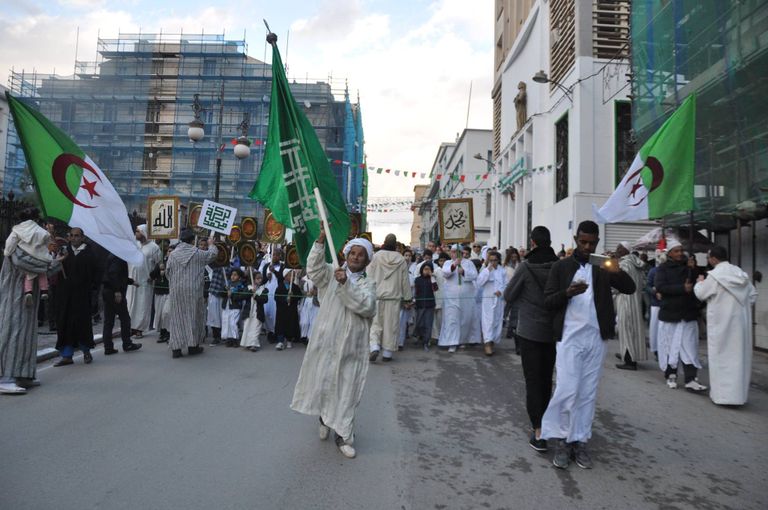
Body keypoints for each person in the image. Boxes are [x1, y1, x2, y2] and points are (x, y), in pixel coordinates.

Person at [541, 220, 635, 469]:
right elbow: (548, 301)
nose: (587, 246)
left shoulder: (602, 266)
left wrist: (616, 270)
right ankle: (561, 439)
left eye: (592, 242)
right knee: (567, 389)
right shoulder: (561, 267)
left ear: (597, 241)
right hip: (569, 338)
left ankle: (579, 441)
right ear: (575, 239)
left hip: (596, 338)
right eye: (583, 241)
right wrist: (567, 293)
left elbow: (630, 288)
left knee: (587, 393)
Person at [290, 230, 376, 459]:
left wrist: (346, 283)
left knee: (346, 390)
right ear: (346, 255)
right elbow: (314, 270)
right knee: (325, 382)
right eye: (353, 253)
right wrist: (319, 242)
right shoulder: (332, 272)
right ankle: (323, 418)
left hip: (352, 346)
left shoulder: (369, 284)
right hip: (327, 340)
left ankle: (344, 436)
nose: (356, 258)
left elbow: (366, 307)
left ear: (367, 261)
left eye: (361, 255)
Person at [504, 226, 559, 452]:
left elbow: (509, 295)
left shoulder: (526, 267)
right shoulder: (559, 266)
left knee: (533, 380)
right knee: (547, 379)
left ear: (533, 243)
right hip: (553, 332)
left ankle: (538, 430)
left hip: (529, 332)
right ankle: (547, 421)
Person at [0, 209, 63, 394]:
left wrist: (53, 261)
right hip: (15, 296)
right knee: (13, 332)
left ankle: (23, 374)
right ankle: (6, 377)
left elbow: (43, 267)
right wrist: (53, 263)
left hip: (29, 298)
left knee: (27, 334)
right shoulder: (16, 239)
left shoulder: (34, 242)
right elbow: (24, 262)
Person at [694, 246, 757, 405]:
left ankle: (723, 396)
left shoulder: (715, 276)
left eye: (709, 258)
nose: (708, 261)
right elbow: (752, 296)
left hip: (721, 323)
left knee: (721, 357)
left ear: (714, 259)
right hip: (740, 324)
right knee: (738, 358)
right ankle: (738, 396)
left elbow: (701, 294)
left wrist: (699, 283)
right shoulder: (741, 274)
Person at [654, 240, 707, 392]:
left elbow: (697, 284)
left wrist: (694, 268)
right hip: (670, 314)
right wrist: (681, 288)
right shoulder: (662, 269)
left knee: (690, 347)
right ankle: (671, 375)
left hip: (687, 314)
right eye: (676, 251)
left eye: (681, 250)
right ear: (669, 253)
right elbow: (661, 287)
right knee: (670, 346)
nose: (679, 253)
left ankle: (691, 379)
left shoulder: (689, 266)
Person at [166, 230, 218, 358]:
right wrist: (211, 243)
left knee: (177, 319)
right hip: (193, 291)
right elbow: (213, 255)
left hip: (176, 290)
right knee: (193, 317)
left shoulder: (172, 255)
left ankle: (176, 349)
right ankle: (192, 346)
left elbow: (168, 272)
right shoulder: (197, 254)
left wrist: (175, 283)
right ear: (191, 241)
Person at [53, 228, 99, 366]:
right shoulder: (64, 252)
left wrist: (91, 288)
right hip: (65, 295)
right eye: (71, 236)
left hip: (82, 295)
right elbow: (56, 269)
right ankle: (66, 355)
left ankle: (86, 351)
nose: (74, 238)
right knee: (65, 323)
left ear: (82, 237)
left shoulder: (89, 253)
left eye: (77, 236)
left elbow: (95, 274)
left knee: (82, 323)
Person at [367, 234, 411, 362]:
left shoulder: (376, 257)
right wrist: (407, 297)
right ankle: (387, 353)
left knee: (375, 324)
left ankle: (374, 346)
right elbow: (405, 280)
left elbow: (369, 276)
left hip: (377, 297)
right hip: (393, 299)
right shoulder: (401, 259)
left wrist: (366, 292)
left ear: (384, 242)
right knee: (391, 326)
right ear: (395, 244)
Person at [3, 208, 52, 306]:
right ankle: (44, 290)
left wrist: (7, 253)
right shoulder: (42, 231)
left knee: (29, 274)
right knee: (42, 273)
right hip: (40, 258)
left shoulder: (18, 229)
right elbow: (48, 244)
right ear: (36, 218)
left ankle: (28, 292)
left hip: (24, 258)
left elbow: (10, 243)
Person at [614, 241, 648, 370]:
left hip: (626, 300)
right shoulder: (635, 263)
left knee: (626, 329)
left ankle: (629, 361)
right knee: (634, 330)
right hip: (635, 300)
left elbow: (618, 284)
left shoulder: (624, 264)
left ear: (625, 250)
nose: (616, 250)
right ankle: (627, 354)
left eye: (619, 248)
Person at [438, 244, 478, 352]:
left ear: (460, 252)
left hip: (465, 297)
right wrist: (454, 265)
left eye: (455, 251)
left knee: (464, 319)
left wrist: (464, 272)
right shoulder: (447, 263)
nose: (452, 253)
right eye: (451, 251)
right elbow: (445, 273)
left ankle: (462, 340)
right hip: (451, 297)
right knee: (452, 319)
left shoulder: (468, 263)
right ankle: (452, 342)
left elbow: (475, 275)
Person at [101, 253, 143, 355]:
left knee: (109, 321)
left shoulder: (111, 256)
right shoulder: (118, 258)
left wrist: (131, 281)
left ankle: (108, 347)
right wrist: (117, 291)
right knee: (125, 319)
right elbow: (113, 275)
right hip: (114, 292)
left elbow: (119, 276)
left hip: (107, 291)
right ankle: (127, 343)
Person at [125, 225, 162, 339]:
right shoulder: (134, 245)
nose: (135, 233)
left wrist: (153, 276)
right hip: (132, 281)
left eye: (137, 231)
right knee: (130, 303)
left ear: (144, 233)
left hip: (145, 282)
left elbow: (159, 264)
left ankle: (139, 329)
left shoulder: (154, 247)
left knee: (142, 306)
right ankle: (130, 327)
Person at [476, 250, 507, 356]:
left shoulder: (502, 271)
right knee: (488, 321)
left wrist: (501, 291)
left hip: (498, 300)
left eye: (495, 260)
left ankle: (492, 341)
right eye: (491, 260)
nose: (493, 262)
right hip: (488, 300)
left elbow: (506, 284)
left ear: (498, 260)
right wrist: (487, 271)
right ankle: (487, 343)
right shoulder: (485, 270)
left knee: (497, 320)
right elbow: (479, 282)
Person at [260, 247, 285, 343]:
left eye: (276, 255)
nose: (274, 257)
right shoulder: (267, 266)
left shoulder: (282, 266)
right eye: (273, 255)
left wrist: (274, 271)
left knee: (275, 313)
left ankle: (275, 332)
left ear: (280, 256)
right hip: (268, 291)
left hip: (277, 291)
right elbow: (263, 281)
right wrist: (267, 277)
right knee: (267, 312)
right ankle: (269, 331)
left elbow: (282, 279)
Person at [150, 244, 173, 343]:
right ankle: (162, 333)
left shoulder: (175, 263)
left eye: (172, 251)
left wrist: (166, 272)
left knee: (166, 313)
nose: (170, 253)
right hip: (159, 292)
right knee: (159, 314)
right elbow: (152, 275)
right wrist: (159, 268)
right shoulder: (161, 262)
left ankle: (168, 333)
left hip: (169, 292)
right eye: (169, 251)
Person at [274, 268, 302, 350]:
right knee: (281, 325)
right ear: (285, 276)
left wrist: (292, 296)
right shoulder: (280, 286)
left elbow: (299, 296)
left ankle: (289, 340)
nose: (292, 277)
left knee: (291, 324)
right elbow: (276, 297)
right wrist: (285, 299)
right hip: (282, 310)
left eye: (293, 275)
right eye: (290, 275)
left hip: (291, 309)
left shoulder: (295, 287)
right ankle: (280, 341)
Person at [241, 272, 268, 352]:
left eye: (260, 278)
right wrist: (250, 292)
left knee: (256, 327)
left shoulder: (263, 289)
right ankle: (247, 343)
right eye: (257, 278)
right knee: (248, 327)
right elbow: (242, 296)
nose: (259, 280)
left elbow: (265, 300)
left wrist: (256, 296)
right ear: (253, 279)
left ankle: (254, 344)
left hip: (258, 312)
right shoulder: (248, 288)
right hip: (249, 311)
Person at [221, 268, 249, 347]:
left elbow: (241, 296)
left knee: (233, 323)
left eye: (235, 275)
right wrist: (225, 291)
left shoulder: (240, 285)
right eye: (232, 275)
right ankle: (229, 339)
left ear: (239, 277)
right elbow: (221, 294)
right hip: (226, 306)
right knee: (227, 322)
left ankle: (235, 338)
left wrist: (232, 295)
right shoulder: (227, 284)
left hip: (235, 306)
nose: (233, 276)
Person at [413, 262, 437, 351]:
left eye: (429, 269)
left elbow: (435, 289)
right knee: (419, 323)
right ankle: (418, 336)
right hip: (420, 305)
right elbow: (416, 292)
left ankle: (426, 342)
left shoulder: (432, 279)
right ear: (422, 270)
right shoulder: (417, 279)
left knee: (428, 324)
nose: (427, 271)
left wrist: (432, 277)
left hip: (430, 305)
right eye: (425, 269)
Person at [646, 250, 665, 358]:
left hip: (667, 305)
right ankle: (657, 350)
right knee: (655, 329)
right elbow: (647, 286)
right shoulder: (653, 271)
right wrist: (654, 291)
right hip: (656, 305)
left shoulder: (669, 271)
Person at [206, 265, 228, 344]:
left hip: (223, 294)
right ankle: (216, 336)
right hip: (214, 293)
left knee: (223, 317)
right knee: (213, 317)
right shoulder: (214, 264)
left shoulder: (229, 267)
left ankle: (224, 335)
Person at [299, 271, 319, 343]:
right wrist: (306, 293)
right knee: (304, 322)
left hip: (315, 303)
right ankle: (304, 335)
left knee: (313, 322)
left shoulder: (318, 279)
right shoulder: (302, 280)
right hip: (305, 302)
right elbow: (299, 290)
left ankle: (310, 338)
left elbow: (322, 290)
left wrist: (316, 293)